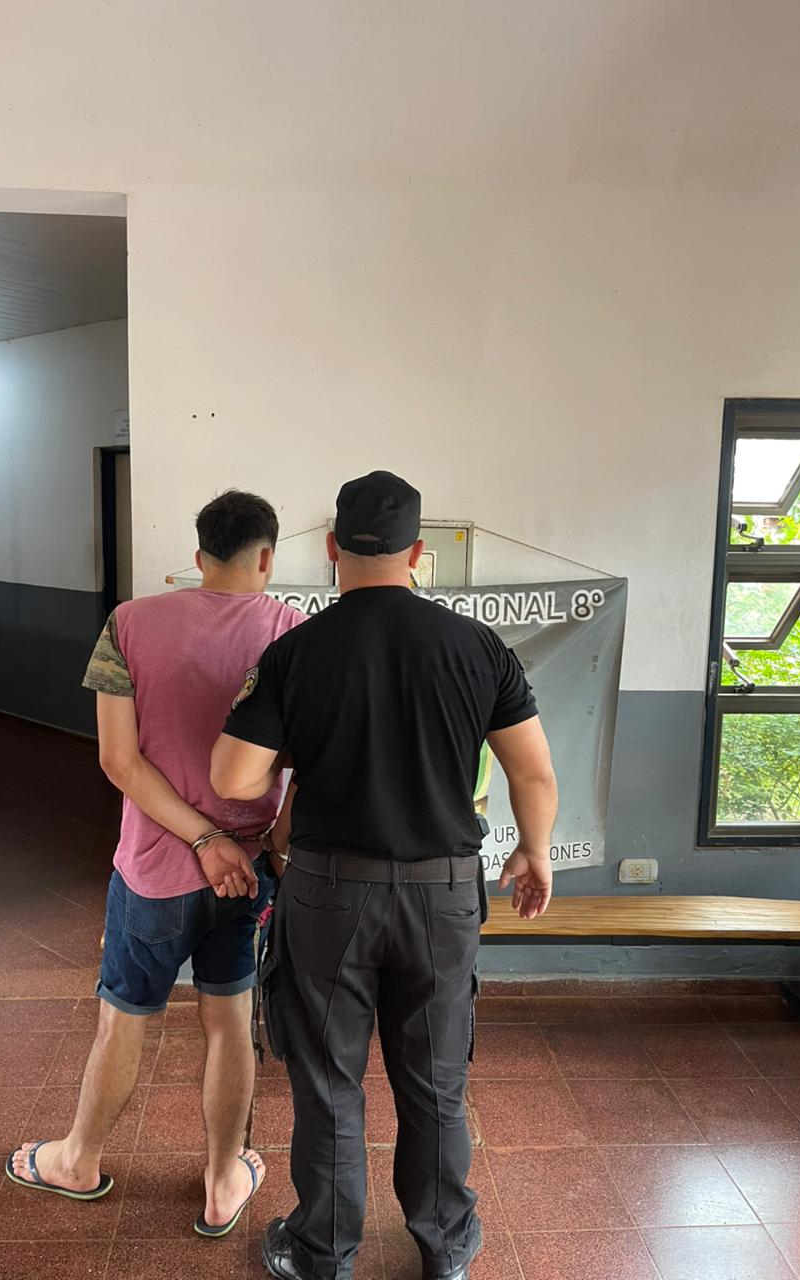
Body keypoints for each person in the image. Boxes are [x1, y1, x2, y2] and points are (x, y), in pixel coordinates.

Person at [211, 471, 558, 1280]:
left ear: (333, 549)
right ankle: (445, 1250)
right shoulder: (478, 647)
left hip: (329, 893)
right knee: (435, 1081)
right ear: (417, 553)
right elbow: (533, 773)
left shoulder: (295, 651)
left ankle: (322, 1253)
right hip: (443, 896)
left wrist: (305, 748)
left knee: (329, 1080)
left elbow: (232, 777)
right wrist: (535, 851)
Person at [5, 489, 303, 1238]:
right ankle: (222, 1180)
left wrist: (199, 841)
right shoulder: (294, 633)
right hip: (248, 872)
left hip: (151, 870)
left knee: (123, 1020)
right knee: (228, 1022)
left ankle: (78, 1161)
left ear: (199, 556)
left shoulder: (128, 624)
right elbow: (308, 763)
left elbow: (118, 761)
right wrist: (261, 842)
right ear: (267, 558)